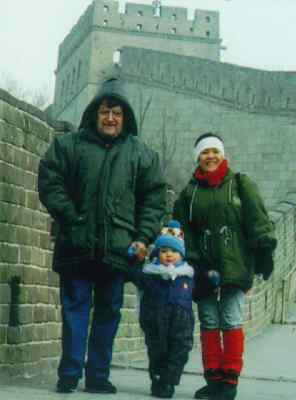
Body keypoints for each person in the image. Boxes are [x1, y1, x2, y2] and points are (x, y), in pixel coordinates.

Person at [38, 78, 166, 394]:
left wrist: (143, 237)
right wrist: (71, 216)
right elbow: (50, 180)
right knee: (74, 311)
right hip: (76, 244)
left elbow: (153, 199)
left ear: (126, 118)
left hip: (118, 250)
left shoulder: (141, 155)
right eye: (106, 111)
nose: (111, 119)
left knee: (108, 314)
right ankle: (69, 373)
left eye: (117, 113)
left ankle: (97, 376)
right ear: (95, 113)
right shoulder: (68, 146)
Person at [173, 133, 277, 400]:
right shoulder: (189, 193)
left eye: (214, 152)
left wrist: (265, 249)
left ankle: (230, 380)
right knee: (208, 320)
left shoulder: (241, 184)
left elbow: (257, 218)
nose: (210, 156)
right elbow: (183, 230)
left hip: (235, 264)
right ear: (198, 157)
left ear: (223, 154)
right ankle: (213, 378)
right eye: (205, 152)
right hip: (203, 266)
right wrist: (194, 260)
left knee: (230, 318)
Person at [129, 223, 195, 399]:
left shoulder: (187, 275)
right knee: (157, 349)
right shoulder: (151, 273)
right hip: (155, 318)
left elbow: (203, 288)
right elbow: (134, 275)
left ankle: (169, 380)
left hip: (181, 321)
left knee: (180, 349)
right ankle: (158, 377)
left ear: (181, 254)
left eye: (173, 251)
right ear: (157, 253)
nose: (169, 254)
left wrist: (213, 278)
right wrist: (137, 259)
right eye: (164, 250)